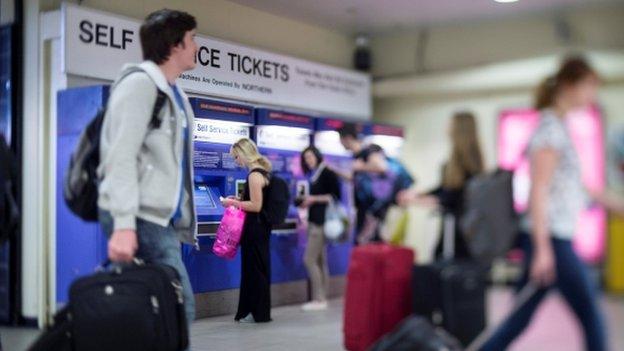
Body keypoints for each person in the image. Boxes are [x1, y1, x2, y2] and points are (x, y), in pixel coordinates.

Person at [481, 56, 624, 351]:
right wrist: (543, 250)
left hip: (555, 239)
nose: (592, 96)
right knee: (590, 314)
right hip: (552, 241)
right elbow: (539, 189)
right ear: (570, 86)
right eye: (589, 87)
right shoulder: (549, 128)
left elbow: (581, 188)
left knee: (520, 319)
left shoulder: (559, 127)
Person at [96, 8, 198, 338]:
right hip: (141, 216)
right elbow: (120, 157)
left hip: (161, 220)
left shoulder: (176, 94)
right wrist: (124, 225)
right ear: (175, 45)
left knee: (163, 315)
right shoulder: (140, 86)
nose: (196, 46)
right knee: (178, 311)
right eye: (192, 38)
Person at [399, 111, 484, 259]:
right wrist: (419, 195)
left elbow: (450, 197)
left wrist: (416, 200)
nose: (446, 128)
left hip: (458, 231)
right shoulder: (473, 163)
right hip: (462, 230)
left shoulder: (463, 166)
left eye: (450, 125)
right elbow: (445, 188)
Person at [221, 138, 273, 323]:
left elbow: (256, 206)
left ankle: (257, 312)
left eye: (236, 157)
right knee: (257, 269)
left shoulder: (254, 175)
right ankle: (257, 311)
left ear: (244, 153)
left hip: (254, 229)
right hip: (260, 229)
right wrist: (239, 197)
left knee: (254, 271)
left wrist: (232, 203)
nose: (236, 162)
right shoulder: (263, 172)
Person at [297, 146, 341, 311]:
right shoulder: (314, 174)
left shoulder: (326, 172)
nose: (308, 160)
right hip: (315, 220)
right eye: (306, 158)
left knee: (309, 260)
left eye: (310, 157)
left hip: (322, 222)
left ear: (317, 156)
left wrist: (312, 199)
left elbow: (335, 196)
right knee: (321, 260)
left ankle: (319, 299)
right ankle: (322, 298)